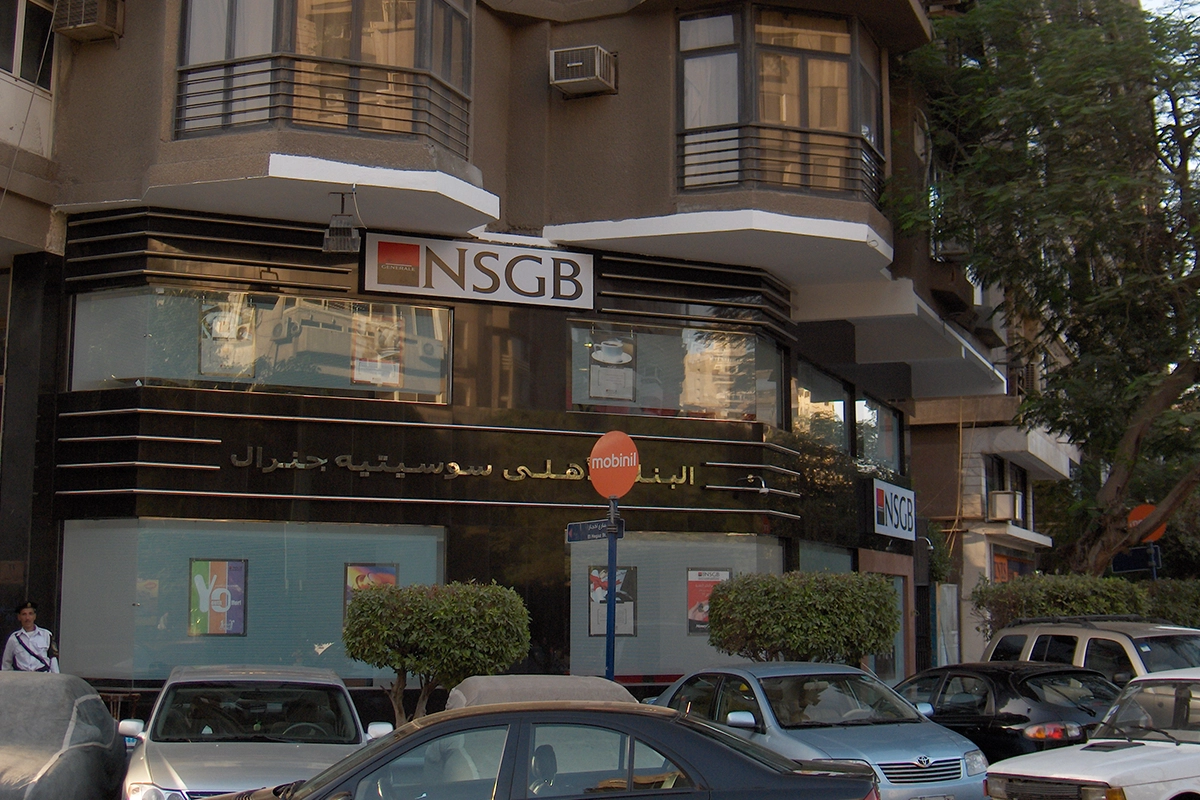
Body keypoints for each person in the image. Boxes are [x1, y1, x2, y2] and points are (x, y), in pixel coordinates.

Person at [1, 601, 60, 673]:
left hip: (43, 676)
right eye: (24, 614)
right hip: (23, 677)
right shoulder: (13, 639)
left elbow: (53, 659)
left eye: (30, 614)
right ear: (19, 617)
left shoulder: (46, 635)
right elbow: (6, 663)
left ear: (35, 616)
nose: (27, 618)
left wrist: (56, 677)